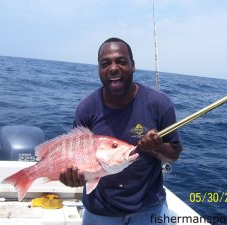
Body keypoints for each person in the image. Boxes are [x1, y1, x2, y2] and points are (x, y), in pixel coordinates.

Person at [59, 37, 182, 225]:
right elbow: (76, 159)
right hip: (99, 211)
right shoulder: (86, 108)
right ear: (99, 69)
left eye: (121, 61)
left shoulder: (160, 104)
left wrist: (156, 148)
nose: (114, 68)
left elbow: (173, 155)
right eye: (105, 63)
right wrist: (72, 179)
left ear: (133, 66)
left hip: (149, 208)